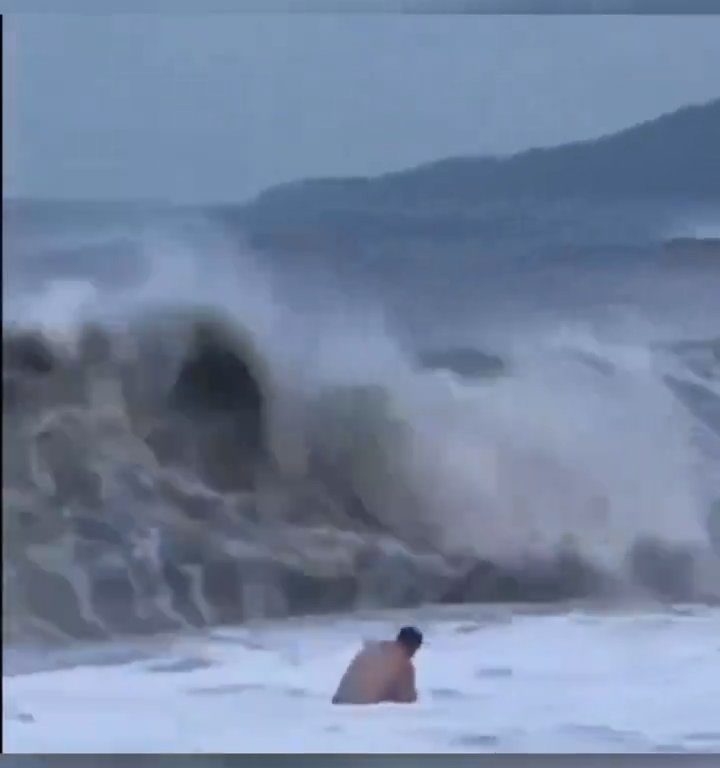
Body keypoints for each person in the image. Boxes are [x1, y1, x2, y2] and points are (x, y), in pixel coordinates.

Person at [331, 626, 423, 705]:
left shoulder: (372, 649)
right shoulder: (403, 664)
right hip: (362, 711)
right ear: (414, 647)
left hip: (339, 702)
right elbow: (408, 700)